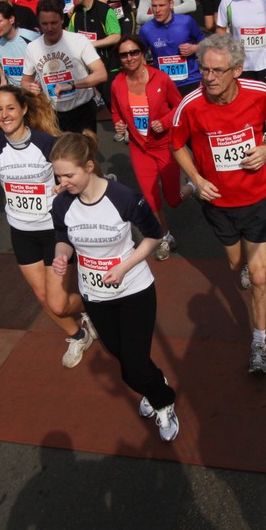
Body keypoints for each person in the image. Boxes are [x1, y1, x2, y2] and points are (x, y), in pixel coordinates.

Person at [0, 59, 99, 368]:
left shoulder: (46, 144)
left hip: (53, 233)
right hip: (22, 234)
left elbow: (80, 171)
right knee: (44, 299)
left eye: (10, 109)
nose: (4, 115)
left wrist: (67, 187)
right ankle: (78, 335)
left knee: (58, 302)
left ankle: (95, 306)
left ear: (24, 110)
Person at [170, 34, 266, 374]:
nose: (209, 77)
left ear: (237, 70)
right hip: (218, 203)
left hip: (258, 198)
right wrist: (197, 180)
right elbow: (177, 145)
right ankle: (243, 267)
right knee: (236, 263)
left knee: (259, 275)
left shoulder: (259, 93)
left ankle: (259, 343)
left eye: (217, 71)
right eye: (204, 69)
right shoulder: (190, 105)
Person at [49, 132, 179, 442]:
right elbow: (62, 237)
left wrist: (124, 266)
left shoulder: (123, 197)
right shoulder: (62, 203)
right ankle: (153, 382)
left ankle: (164, 400)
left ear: (89, 166)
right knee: (122, 355)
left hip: (134, 290)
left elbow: (154, 235)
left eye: (69, 175)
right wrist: (61, 256)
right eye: (58, 176)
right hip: (94, 295)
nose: (62, 182)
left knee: (132, 367)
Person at [109, 35, 195, 258]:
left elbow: (180, 107)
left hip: (165, 145)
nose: (129, 58)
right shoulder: (117, 83)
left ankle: (192, 187)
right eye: (124, 55)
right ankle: (165, 237)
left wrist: (164, 122)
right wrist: (118, 123)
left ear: (143, 53)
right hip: (139, 148)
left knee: (173, 199)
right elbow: (116, 110)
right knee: (150, 198)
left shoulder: (161, 79)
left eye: (134, 52)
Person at [21, 0, 107, 135]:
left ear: (62, 20)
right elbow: (25, 81)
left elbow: (101, 74)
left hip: (82, 111)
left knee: (85, 149)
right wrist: (31, 88)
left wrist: (72, 85)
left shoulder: (78, 41)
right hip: (52, 113)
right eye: (45, 24)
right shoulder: (32, 47)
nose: (49, 28)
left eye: (54, 23)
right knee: (57, 149)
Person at [139, 0, 205, 97]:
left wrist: (194, 48)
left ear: (171, 4)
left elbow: (206, 43)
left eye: (161, 5)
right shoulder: (146, 29)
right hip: (164, 84)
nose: (157, 10)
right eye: (154, 6)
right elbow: (140, 55)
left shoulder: (186, 22)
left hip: (190, 81)